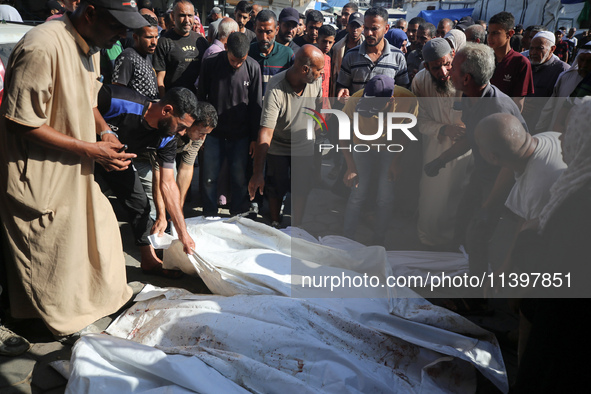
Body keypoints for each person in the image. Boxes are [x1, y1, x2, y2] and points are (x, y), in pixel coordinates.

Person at [0, 0, 147, 338]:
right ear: (91, 13)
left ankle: (91, 306)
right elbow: (19, 122)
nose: (122, 35)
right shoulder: (43, 45)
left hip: (76, 168)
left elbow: (90, 100)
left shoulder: (92, 45)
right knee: (53, 254)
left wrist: (106, 134)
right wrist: (90, 150)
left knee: (102, 234)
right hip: (37, 175)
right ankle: (47, 322)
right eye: (117, 26)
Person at [424, 43, 527, 292]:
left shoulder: (497, 111)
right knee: (462, 223)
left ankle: (480, 296)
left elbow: (510, 166)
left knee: (478, 235)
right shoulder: (470, 97)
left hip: (500, 181)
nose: (449, 73)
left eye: (454, 69)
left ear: (466, 78)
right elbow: (471, 138)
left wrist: (488, 205)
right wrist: (441, 160)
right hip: (482, 176)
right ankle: (465, 272)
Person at [510, 99, 591, 393]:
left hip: (562, 332)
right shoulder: (576, 182)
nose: (562, 139)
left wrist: (530, 236)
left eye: (569, 131)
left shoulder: (581, 206)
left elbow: (559, 273)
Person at [96, 85, 201, 274]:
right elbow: (84, 102)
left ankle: (148, 260)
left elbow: (168, 184)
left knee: (140, 204)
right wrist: (104, 132)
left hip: (118, 160)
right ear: (167, 110)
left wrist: (182, 233)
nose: (183, 133)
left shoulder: (167, 138)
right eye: (181, 126)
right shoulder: (120, 99)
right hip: (83, 152)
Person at [248, 45, 324, 228]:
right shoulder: (276, 87)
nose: (321, 74)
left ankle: (297, 227)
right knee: (276, 186)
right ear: (305, 69)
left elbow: (320, 105)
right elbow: (266, 132)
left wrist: (315, 128)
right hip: (278, 144)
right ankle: (275, 221)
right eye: (319, 70)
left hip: (303, 144)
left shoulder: (315, 81)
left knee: (301, 187)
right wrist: (258, 173)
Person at [341, 75, 419, 245]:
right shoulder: (354, 101)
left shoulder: (408, 100)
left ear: (391, 100)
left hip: (390, 149)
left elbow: (407, 132)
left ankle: (379, 240)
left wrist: (396, 162)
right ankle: (346, 241)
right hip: (361, 147)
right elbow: (342, 135)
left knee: (386, 197)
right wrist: (350, 166)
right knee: (357, 193)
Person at [411, 38, 472, 248]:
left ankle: (454, 243)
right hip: (434, 147)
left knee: (459, 197)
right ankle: (426, 241)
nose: (444, 73)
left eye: (447, 64)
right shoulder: (420, 81)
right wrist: (444, 129)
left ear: (453, 55)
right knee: (432, 200)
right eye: (436, 68)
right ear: (426, 66)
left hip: (464, 151)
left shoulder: (468, 76)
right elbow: (418, 119)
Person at [197, 32, 262, 217]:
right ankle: (209, 213)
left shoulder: (253, 67)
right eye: (234, 60)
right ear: (226, 49)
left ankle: (238, 214)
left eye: (241, 60)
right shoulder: (210, 63)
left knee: (239, 178)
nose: (237, 64)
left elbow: (256, 106)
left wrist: (254, 138)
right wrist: (201, 132)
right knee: (209, 178)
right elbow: (201, 98)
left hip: (241, 135)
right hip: (213, 134)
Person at [337, 7, 409, 99]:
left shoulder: (398, 56)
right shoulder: (351, 55)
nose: (369, 33)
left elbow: (404, 89)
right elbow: (342, 85)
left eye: (374, 29)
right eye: (366, 28)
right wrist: (343, 92)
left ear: (386, 28)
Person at [153, 0, 208, 96]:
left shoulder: (201, 41)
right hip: (173, 101)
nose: (187, 20)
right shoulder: (164, 41)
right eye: (182, 15)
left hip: (197, 101)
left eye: (190, 15)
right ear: (173, 16)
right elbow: (159, 78)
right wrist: (163, 103)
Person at [522, 31, 570, 131]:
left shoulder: (563, 71)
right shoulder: (524, 64)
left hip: (544, 127)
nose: (533, 52)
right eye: (531, 48)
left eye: (539, 48)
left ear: (552, 49)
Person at [487, 12, 534, 110]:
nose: (489, 37)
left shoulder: (520, 63)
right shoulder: (485, 58)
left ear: (509, 34)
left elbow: (518, 104)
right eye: (488, 32)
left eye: (495, 33)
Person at [112, 14, 159, 100]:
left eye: (156, 37)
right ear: (135, 37)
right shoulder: (127, 57)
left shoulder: (146, 55)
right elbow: (117, 92)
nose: (154, 42)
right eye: (149, 37)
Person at [248, 9, 294, 95]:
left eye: (268, 32)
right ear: (254, 29)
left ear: (277, 30)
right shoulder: (247, 53)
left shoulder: (287, 55)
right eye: (260, 31)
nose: (264, 37)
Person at [331, 11, 364, 96]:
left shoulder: (367, 47)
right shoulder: (337, 48)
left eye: (358, 26)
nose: (355, 29)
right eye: (352, 26)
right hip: (340, 90)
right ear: (347, 27)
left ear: (363, 28)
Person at [317, 25, 336, 97]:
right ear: (318, 39)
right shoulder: (312, 57)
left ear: (333, 42)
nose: (327, 45)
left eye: (330, 42)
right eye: (324, 41)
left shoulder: (328, 59)